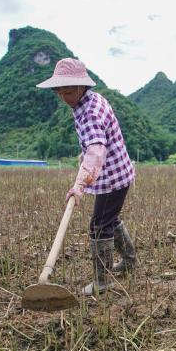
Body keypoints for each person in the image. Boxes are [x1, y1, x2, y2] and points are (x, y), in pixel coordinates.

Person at [36, 58, 136, 296]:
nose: (64, 97)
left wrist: (79, 185)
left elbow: (96, 150)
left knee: (99, 226)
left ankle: (102, 282)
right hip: (116, 173)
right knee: (109, 219)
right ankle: (130, 261)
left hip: (112, 177)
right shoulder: (90, 100)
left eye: (68, 91)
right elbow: (93, 146)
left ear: (81, 87)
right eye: (59, 91)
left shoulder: (89, 112)